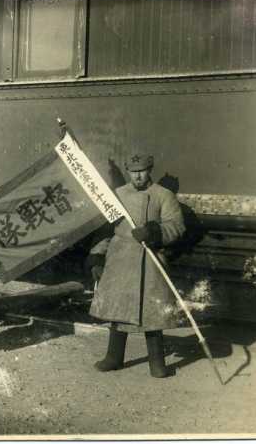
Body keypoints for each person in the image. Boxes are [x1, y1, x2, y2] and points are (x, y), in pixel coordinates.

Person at [85, 151, 185, 378]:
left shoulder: (164, 195)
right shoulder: (117, 196)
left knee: (153, 314)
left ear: (150, 170)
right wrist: (97, 257)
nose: (138, 177)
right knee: (118, 311)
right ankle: (113, 357)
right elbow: (104, 231)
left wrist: (153, 232)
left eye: (142, 172)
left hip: (150, 260)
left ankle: (157, 363)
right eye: (133, 172)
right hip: (119, 261)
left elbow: (176, 226)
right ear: (128, 172)